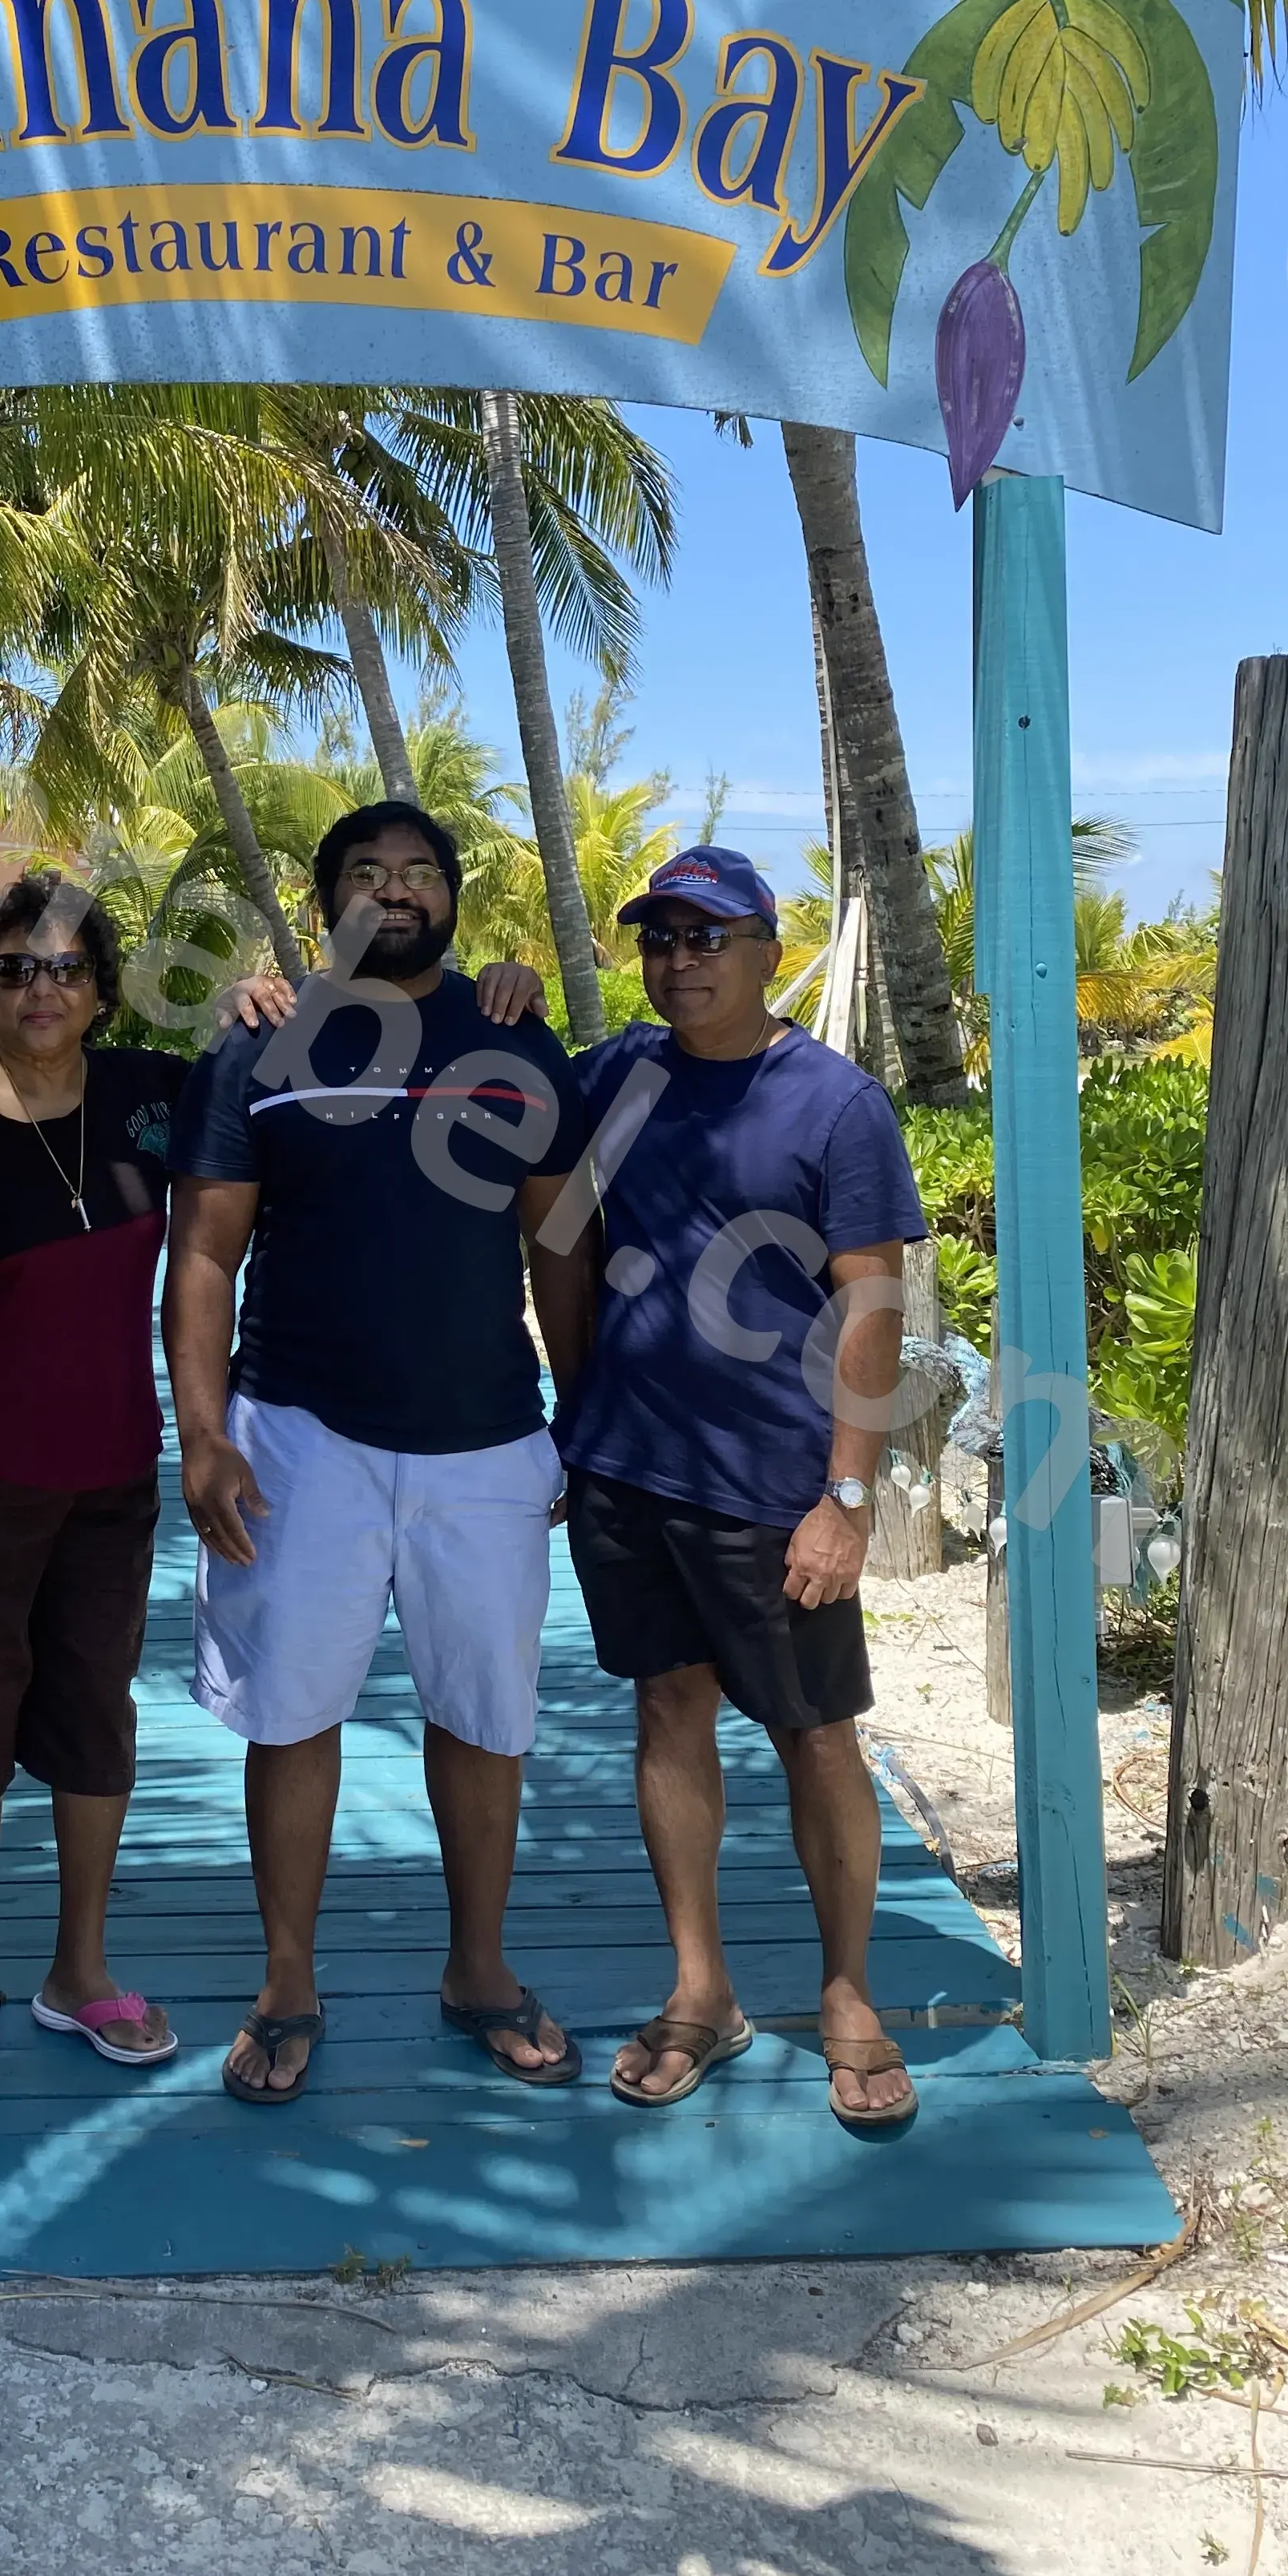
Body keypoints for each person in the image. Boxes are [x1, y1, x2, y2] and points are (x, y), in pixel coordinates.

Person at [0, 867, 543, 2085]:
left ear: (104, 989)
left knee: (91, 1721)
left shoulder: (145, 1102)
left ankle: (81, 1969)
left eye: (66, 967)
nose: (41, 990)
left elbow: (288, 1121)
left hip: (114, 1477)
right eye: (15, 970)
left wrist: (299, 1001)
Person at [164, 806, 592, 2104]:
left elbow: (558, 1241)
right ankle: (286, 1980)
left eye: (419, 874)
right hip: (299, 1436)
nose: (395, 891)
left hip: (488, 1440)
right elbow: (204, 1254)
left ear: (454, 901)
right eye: (367, 873)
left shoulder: (514, 1035)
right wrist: (202, 1436)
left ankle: (478, 1968)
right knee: (291, 1719)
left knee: (485, 1717)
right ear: (325, 901)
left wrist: (583, 1414)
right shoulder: (259, 1044)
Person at [546, 846, 928, 2130]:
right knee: (669, 1709)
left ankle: (849, 1993)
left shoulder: (835, 1103)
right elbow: (542, 1204)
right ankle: (701, 1987)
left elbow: (872, 1304)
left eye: (705, 938)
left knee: (817, 1735)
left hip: (776, 1487)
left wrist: (849, 1497)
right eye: (658, 939)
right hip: (628, 1466)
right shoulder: (614, 1077)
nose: (677, 961)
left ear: (769, 947)